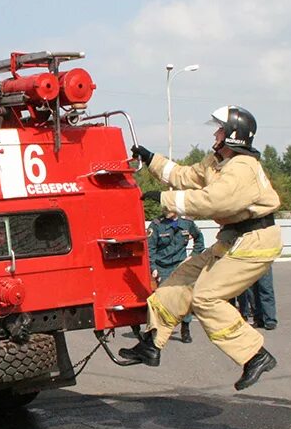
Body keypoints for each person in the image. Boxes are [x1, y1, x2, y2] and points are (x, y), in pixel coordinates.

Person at [120, 105, 282, 391]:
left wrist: (166, 200)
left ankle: (255, 355)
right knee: (176, 283)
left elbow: (213, 202)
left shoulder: (243, 168)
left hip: (255, 241)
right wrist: (151, 159)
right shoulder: (216, 162)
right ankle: (151, 344)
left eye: (219, 129)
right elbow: (184, 175)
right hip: (233, 239)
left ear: (233, 134)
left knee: (206, 297)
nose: (215, 133)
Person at [147, 208, 205, 343]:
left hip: (181, 265)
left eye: (169, 208)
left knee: (185, 298)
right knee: (162, 299)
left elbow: (199, 240)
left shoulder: (186, 223)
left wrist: (192, 257)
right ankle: (159, 330)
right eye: (164, 208)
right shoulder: (156, 225)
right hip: (163, 267)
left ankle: (186, 328)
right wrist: (153, 268)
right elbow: (150, 248)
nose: (166, 210)